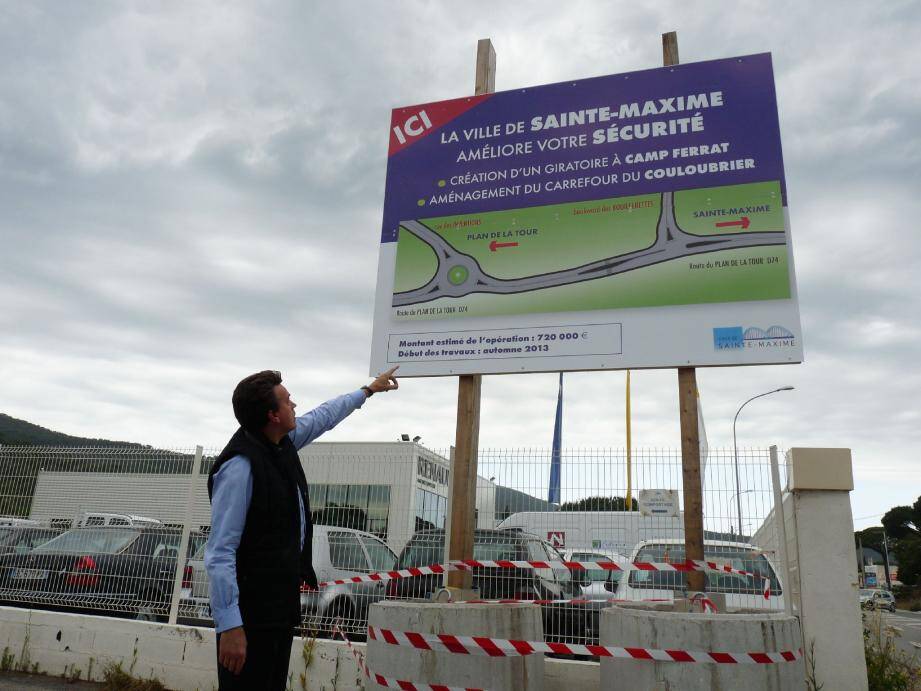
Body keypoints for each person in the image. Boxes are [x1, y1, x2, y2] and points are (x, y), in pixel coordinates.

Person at [205, 367, 399, 689]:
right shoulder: (240, 467)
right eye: (287, 401)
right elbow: (220, 551)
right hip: (249, 616)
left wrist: (367, 391)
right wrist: (229, 625)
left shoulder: (283, 442)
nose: (295, 405)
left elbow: (323, 416)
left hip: (279, 608)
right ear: (272, 415)